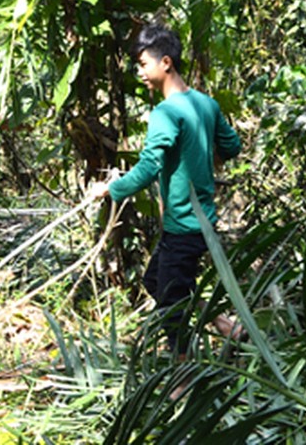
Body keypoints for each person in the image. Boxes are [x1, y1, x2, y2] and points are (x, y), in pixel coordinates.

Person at [91, 24, 242, 360]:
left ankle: (182, 377)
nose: (140, 72)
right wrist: (203, 154)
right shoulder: (206, 104)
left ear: (167, 63)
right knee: (157, 281)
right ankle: (225, 324)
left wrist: (111, 189)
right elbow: (232, 146)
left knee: (172, 310)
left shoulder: (165, 112)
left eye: (143, 64)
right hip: (201, 224)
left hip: (184, 227)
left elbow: (147, 168)